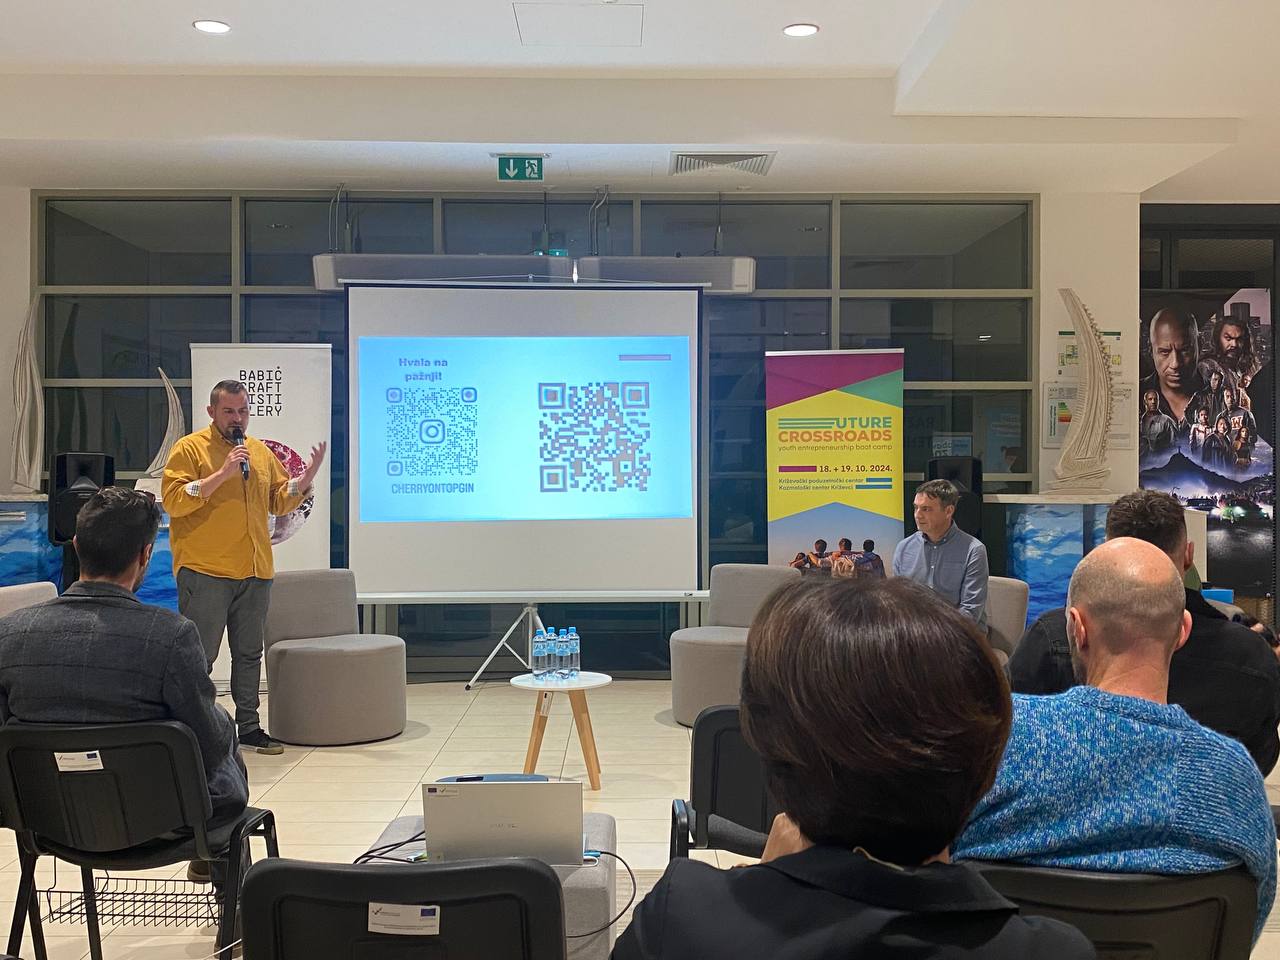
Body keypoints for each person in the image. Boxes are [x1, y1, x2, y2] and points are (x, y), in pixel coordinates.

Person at [611, 577, 1094, 960]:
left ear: (767, 746)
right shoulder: (1052, 950)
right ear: (987, 757)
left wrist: (771, 884)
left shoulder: (684, 921)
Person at [956, 537, 1276, 945]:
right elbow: (1245, 924)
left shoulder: (993, 744)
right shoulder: (1232, 778)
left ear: (1077, 627)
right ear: (1183, 631)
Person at [0, 487, 248, 881]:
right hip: (166, 823)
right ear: (146, 555)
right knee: (222, 731)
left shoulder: (10, 633)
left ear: (76, 545)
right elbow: (211, 744)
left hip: (46, 821)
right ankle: (225, 885)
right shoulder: (171, 635)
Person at [1008, 490, 1280, 774]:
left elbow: (1007, 736)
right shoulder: (1251, 656)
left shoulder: (1051, 638)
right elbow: (1258, 761)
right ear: (1188, 556)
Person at [163, 380, 327, 755]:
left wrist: (305, 479)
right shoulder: (190, 449)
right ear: (211, 412)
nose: (237, 419)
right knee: (201, 655)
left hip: (255, 571)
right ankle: (195, 730)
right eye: (229, 411)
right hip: (206, 570)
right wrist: (221, 474)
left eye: (243, 411)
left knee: (249, 654)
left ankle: (249, 727)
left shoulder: (258, 452)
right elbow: (174, 500)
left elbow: (278, 501)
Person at [892, 479, 988, 627]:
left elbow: (970, 612)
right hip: (915, 631)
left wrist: (930, 633)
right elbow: (897, 603)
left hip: (959, 631)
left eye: (926, 509)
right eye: (916, 508)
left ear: (949, 511)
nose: (918, 515)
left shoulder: (973, 550)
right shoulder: (904, 548)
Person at [1141, 307, 1201, 438]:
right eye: (1164, 352)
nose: (1175, 364)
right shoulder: (1136, 396)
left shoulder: (1223, 395)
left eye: (1184, 350)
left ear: (1200, 345)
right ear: (1151, 351)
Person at [1138, 388, 1177, 456]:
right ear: (1145, 402)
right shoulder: (1139, 421)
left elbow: (1174, 445)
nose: (1153, 402)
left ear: (1158, 401)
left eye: (1156, 399)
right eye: (1150, 399)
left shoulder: (1167, 421)